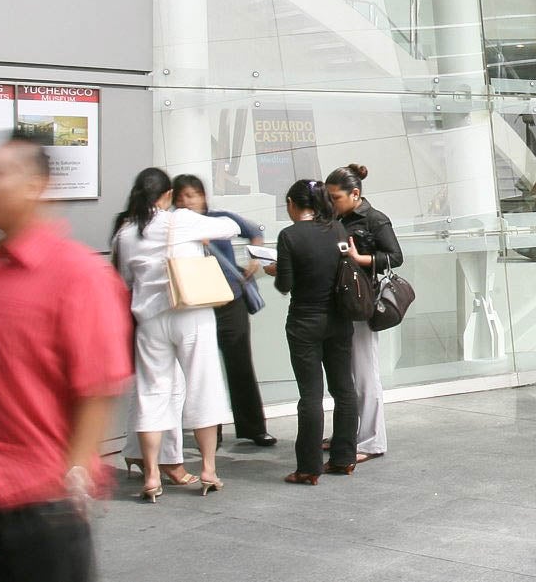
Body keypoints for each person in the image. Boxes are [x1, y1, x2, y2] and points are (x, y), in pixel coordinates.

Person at [0, 137, 130, 582]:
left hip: (39, 509)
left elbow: (98, 387)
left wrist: (74, 475)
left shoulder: (77, 275)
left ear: (36, 185)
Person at [111, 167, 240, 501]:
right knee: (203, 387)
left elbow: (124, 280)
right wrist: (199, 226)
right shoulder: (181, 220)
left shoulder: (125, 234)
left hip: (151, 321)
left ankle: (152, 475)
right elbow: (231, 227)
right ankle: (209, 469)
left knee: (151, 394)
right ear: (167, 194)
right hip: (191, 313)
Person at [172, 174, 274, 448]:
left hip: (230, 299)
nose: (186, 202)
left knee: (239, 363)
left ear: (203, 197)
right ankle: (209, 434)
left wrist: (255, 257)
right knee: (202, 371)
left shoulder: (219, 219)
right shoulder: (172, 225)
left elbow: (254, 230)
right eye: (180, 197)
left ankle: (254, 428)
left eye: (191, 195)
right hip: (196, 303)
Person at [265, 179, 356, 484]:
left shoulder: (289, 236)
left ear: (292, 203)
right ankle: (344, 459)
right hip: (339, 319)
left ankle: (308, 468)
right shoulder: (337, 229)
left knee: (311, 396)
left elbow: (285, 285)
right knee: (344, 389)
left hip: (305, 322)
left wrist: (277, 269)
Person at [324, 164, 400, 465]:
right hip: (339, 301)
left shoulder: (374, 219)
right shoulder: (334, 217)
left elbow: (395, 257)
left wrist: (361, 258)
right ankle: (348, 433)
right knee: (346, 375)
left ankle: (371, 440)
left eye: (336, 197)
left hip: (361, 301)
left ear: (355, 194)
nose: (331, 203)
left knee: (365, 372)